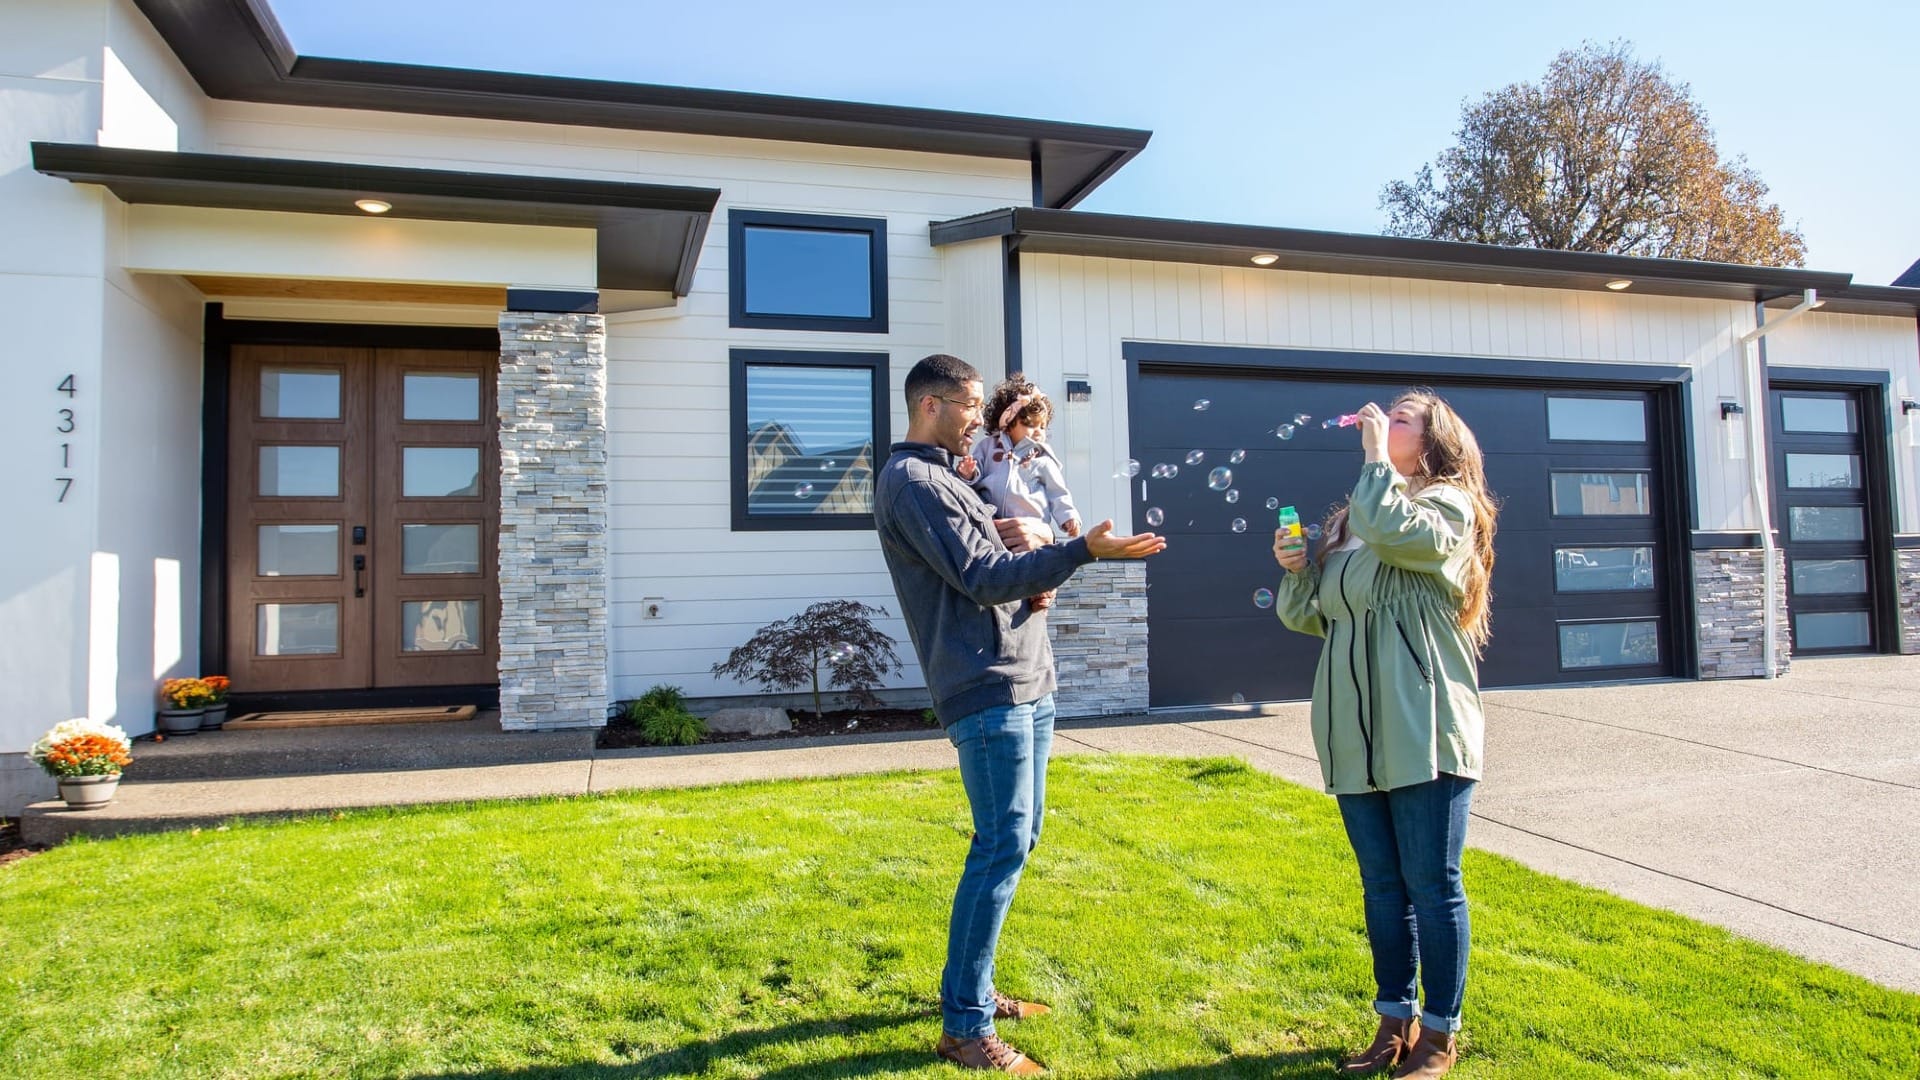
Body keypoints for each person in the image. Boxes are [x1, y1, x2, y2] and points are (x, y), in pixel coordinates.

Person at [875, 354, 1165, 1074]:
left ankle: (971, 989)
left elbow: (994, 552)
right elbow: (981, 579)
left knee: (1019, 839)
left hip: (1027, 677)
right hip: (986, 684)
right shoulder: (913, 482)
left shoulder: (951, 476)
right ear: (932, 405)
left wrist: (1034, 540)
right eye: (971, 405)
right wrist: (1081, 552)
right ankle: (965, 1028)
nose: (982, 416)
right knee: (999, 846)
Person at [1269, 392, 1499, 1079]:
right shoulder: (1352, 522)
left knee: (1433, 885)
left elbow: (1404, 536)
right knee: (1381, 888)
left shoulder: (1447, 505)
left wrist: (1373, 458)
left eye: (1399, 417)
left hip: (1424, 727)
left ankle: (1439, 1035)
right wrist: (1298, 569)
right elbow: (1314, 618)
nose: (1380, 420)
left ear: (1432, 439)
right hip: (1352, 735)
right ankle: (1391, 1021)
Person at [956, 376, 1081, 611]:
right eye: (1030, 425)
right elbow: (973, 482)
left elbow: (1057, 492)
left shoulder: (1042, 457)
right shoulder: (988, 447)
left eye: (1042, 427)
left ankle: (1043, 593)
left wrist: (1068, 517)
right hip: (996, 526)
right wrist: (968, 473)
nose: (1037, 432)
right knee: (1009, 566)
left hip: (1031, 525)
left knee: (1035, 561)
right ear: (1007, 422)